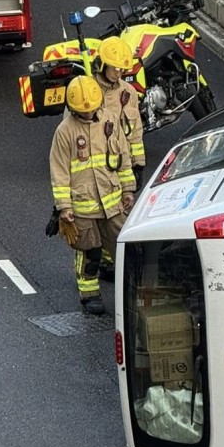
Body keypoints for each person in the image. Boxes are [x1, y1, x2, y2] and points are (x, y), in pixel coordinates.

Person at [49, 74, 135, 316]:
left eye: (91, 110)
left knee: (122, 246)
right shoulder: (65, 132)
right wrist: (64, 207)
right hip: (83, 205)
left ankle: (131, 289)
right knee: (90, 252)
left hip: (112, 201)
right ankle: (89, 294)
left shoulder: (109, 121)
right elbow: (59, 171)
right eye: (82, 112)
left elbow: (123, 157)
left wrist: (128, 188)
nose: (88, 115)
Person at [95, 34, 145, 282]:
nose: (119, 73)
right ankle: (96, 270)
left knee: (119, 217)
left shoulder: (128, 92)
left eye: (123, 68)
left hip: (120, 166)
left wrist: (138, 165)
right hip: (95, 169)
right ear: (102, 65)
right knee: (95, 222)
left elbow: (135, 132)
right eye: (115, 68)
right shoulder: (88, 92)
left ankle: (109, 261)